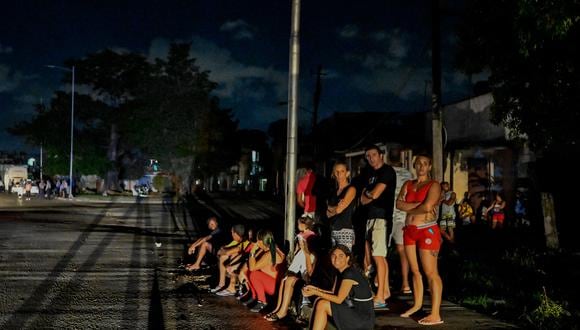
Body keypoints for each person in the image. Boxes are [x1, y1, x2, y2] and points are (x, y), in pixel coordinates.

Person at [396, 153, 444, 326]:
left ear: (429, 167)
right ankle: (417, 305)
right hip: (409, 230)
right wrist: (419, 207)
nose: (421, 167)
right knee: (414, 271)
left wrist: (412, 208)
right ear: (414, 166)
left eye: (425, 164)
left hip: (427, 230)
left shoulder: (434, 185)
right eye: (418, 164)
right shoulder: (408, 184)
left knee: (431, 272)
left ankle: (435, 314)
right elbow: (398, 204)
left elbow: (429, 206)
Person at [302, 244, 375, 330]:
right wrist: (315, 289)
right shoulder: (340, 272)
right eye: (334, 256)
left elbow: (338, 299)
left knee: (322, 304)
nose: (336, 259)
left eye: (341, 256)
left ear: (347, 258)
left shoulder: (349, 273)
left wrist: (316, 292)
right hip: (354, 312)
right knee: (319, 300)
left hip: (362, 319)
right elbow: (334, 292)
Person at [360, 145, 396, 308]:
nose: (371, 158)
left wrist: (370, 194)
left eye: (374, 154)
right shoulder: (368, 173)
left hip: (382, 217)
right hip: (369, 217)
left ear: (381, 155)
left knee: (378, 256)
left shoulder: (387, 171)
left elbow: (375, 194)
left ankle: (380, 296)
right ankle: (385, 290)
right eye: (368, 156)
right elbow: (363, 199)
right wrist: (369, 195)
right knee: (376, 255)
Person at [265, 216, 317, 322]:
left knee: (287, 279)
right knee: (284, 280)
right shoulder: (302, 240)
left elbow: (304, 268)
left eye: (299, 224)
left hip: (305, 275)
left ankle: (282, 311)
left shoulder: (308, 243)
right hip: (300, 269)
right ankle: (278, 309)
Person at [388, 148, 414, 295]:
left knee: (381, 252)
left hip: (388, 215)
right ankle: (405, 283)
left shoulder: (385, 172)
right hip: (402, 215)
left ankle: (382, 282)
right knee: (402, 250)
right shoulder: (408, 174)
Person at [245, 229, 286, 313]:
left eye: (257, 240)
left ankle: (262, 301)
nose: (256, 242)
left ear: (260, 242)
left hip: (275, 287)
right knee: (248, 271)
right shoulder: (268, 249)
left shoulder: (270, 253)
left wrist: (252, 251)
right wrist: (258, 250)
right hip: (272, 283)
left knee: (254, 274)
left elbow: (252, 267)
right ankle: (254, 296)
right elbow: (252, 262)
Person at [326, 161, 357, 251]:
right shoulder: (333, 192)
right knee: (334, 260)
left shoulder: (351, 189)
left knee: (344, 260)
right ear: (333, 174)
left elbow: (339, 210)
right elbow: (327, 213)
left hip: (345, 229)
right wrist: (335, 208)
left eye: (342, 171)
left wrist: (333, 208)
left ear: (347, 173)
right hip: (333, 229)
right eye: (337, 172)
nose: (339, 174)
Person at [213, 224, 247, 295]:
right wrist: (226, 250)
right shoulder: (236, 241)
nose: (231, 234)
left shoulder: (245, 242)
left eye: (231, 232)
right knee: (223, 257)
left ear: (235, 233)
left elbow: (228, 251)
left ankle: (231, 288)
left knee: (232, 255)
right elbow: (220, 251)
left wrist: (226, 250)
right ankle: (221, 284)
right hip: (241, 262)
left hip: (244, 264)